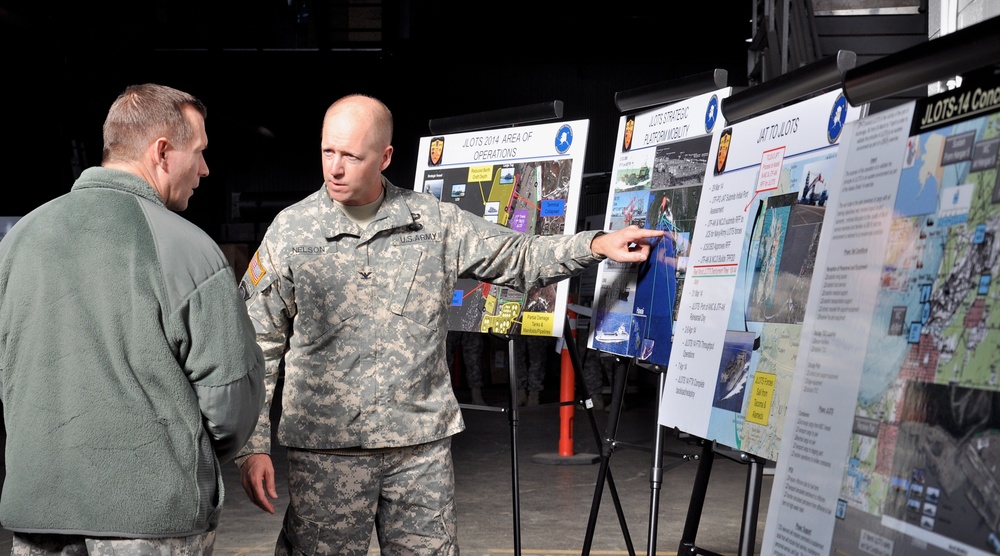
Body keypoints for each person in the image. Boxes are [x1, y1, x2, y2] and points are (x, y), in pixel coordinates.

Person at [235, 93, 663, 555]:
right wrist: (252, 445)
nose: (335, 169)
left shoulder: (435, 223)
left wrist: (597, 243)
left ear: (385, 157)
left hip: (420, 453)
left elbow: (518, 256)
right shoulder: (291, 230)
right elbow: (257, 342)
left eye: (352, 156)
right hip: (327, 453)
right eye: (328, 152)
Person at [0, 83, 266, 554]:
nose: (205, 169)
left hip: (37, 510)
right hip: (151, 519)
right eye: (199, 152)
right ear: (162, 152)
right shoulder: (188, 249)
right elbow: (230, 402)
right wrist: (193, 454)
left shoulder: (19, 240)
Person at [512, 334, 557, 406]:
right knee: (516, 356)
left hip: (537, 326)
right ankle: (521, 393)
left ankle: (533, 395)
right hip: (518, 326)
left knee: (537, 358)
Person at [446, 330, 486, 405]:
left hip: (471, 320)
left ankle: (476, 394)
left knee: (474, 354)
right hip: (450, 320)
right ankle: (445, 395)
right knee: (446, 354)